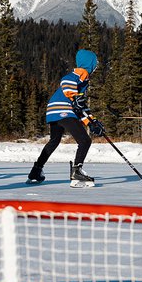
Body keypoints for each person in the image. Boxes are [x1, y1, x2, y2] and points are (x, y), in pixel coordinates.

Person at [27, 49, 102, 187]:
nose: (96, 67)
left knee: (54, 141)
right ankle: (77, 172)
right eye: (95, 64)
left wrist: (92, 122)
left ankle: (36, 170)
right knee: (85, 141)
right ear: (89, 64)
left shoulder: (83, 82)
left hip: (53, 111)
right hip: (62, 110)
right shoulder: (77, 75)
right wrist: (74, 96)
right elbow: (66, 82)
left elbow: (81, 107)